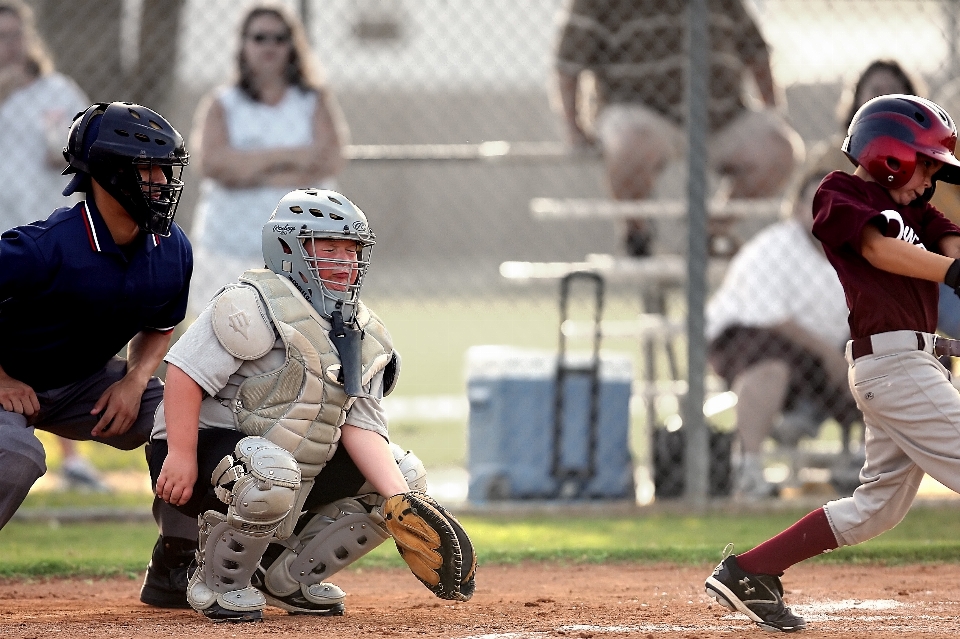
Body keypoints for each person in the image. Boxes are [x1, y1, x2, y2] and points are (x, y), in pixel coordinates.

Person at [149, 188, 475, 622]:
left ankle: (287, 577)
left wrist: (402, 501)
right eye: (329, 247)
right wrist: (181, 454)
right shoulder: (250, 302)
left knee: (404, 477)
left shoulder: (365, 330)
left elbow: (362, 428)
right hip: (200, 453)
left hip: (285, 463)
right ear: (288, 248)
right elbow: (184, 376)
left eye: (353, 249)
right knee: (272, 471)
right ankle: (217, 582)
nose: (345, 260)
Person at [704, 94, 960, 632]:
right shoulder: (839, 192)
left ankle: (750, 571)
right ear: (891, 154)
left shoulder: (919, 211)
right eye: (926, 166)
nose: (929, 182)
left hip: (916, 364)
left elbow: (950, 243)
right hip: (893, 369)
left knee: (877, 508)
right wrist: (950, 272)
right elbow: (877, 250)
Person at [0, 102, 192, 533]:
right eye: (150, 169)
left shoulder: (171, 248)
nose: (163, 182)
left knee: (190, 419)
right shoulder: (43, 247)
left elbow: (160, 327)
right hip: (8, 381)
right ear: (111, 173)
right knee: (15, 456)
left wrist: (135, 379)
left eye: (167, 169)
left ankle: (179, 560)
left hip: (82, 385)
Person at [552, 0, 803, 257]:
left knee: (778, 148)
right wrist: (573, 127)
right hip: (642, 114)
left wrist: (772, 111)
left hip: (720, 117)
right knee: (630, 143)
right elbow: (567, 63)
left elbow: (756, 51)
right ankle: (637, 236)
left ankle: (707, 233)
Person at [706, 165, 859, 498]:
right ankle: (747, 469)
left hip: (823, 350)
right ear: (797, 209)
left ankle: (865, 463)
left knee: (881, 355)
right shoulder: (774, 246)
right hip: (749, 337)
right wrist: (828, 355)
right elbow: (771, 318)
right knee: (770, 365)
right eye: (816, 202)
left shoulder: (856, 251)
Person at [187, 2, 349, 317]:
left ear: (293, 44)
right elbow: (214, 164)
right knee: (230, 340)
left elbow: (329, 158)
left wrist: (247, 167)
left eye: (280, 38)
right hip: (229, 248)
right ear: (243, 44)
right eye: (260, 38)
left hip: (302, 249)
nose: (270, 46)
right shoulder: (222, 104)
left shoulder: (313, 100)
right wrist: (291, 158)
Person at [0, 0, 88, 227]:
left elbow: (92, 141)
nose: (11, 45)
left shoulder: (56, 89)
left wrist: (69, 153)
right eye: (2, 36)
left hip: (50, 219)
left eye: (17, 34)